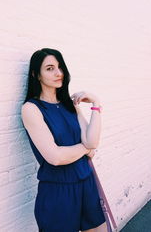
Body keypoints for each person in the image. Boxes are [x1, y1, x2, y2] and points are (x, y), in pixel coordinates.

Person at [21, 48, 107, 232]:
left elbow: (92, 145)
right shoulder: (31, 109)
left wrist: (96, 104)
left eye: (60, 67)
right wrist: (86, 146)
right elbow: (55, 157)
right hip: (58, 192)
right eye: (50, 68)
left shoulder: (69, 104)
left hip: (87, 183)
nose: (58, 73)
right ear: (36, 74)